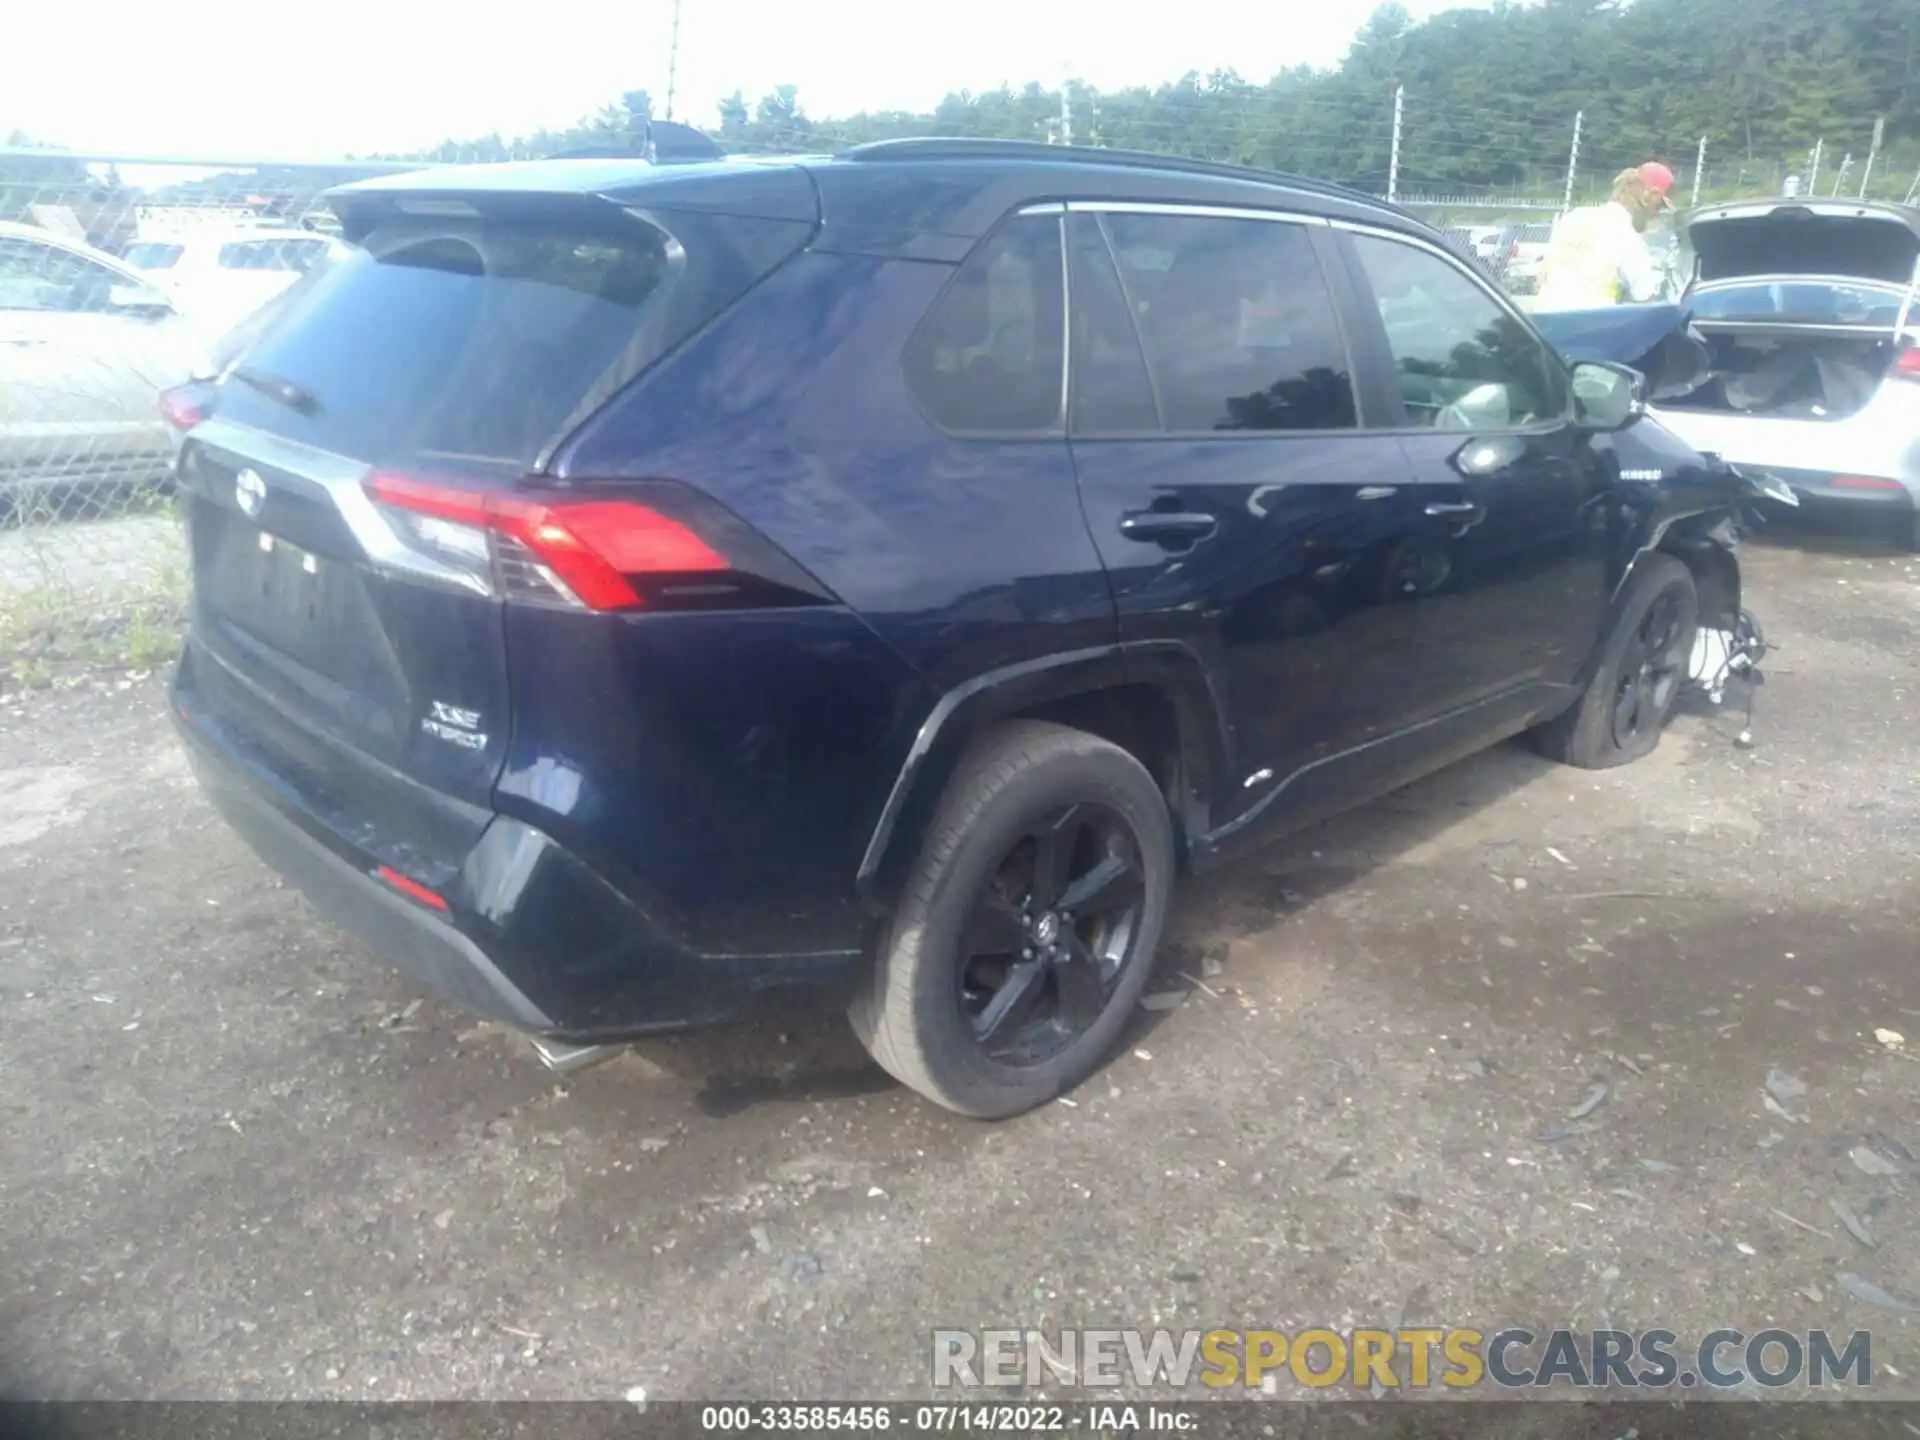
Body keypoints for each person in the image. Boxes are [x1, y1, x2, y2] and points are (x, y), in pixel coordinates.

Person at [1533, 161, 1676, 311]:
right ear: (1645, 197)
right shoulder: (1627, 237)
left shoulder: (1575, 216)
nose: (1656, 215)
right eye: (1658, 206)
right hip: (1589, 325)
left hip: (1543, 324)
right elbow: (1646, 294)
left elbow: (1541, 276)